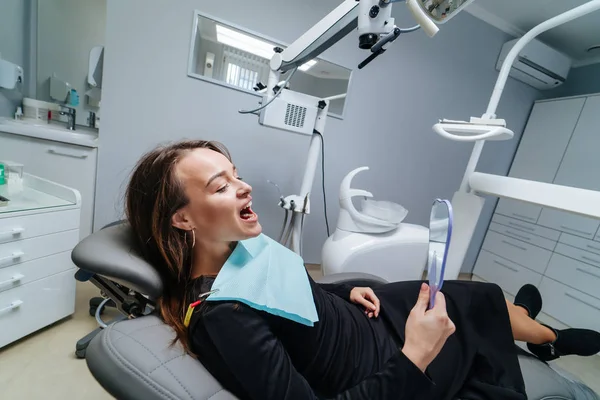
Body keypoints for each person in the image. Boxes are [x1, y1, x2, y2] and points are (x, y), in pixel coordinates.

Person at [124, 139, 600, 400]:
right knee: (473, 301)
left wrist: (340, 293)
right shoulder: (225, 316)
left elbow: (293, 291)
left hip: (357, 319)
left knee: (476, 293)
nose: (244, 188)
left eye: (236, 174)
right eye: (220, 186)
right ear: (182, 218)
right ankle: (547, 337)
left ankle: (535, 329)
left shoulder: (236, 245)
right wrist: (416, 353)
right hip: (378, 365)